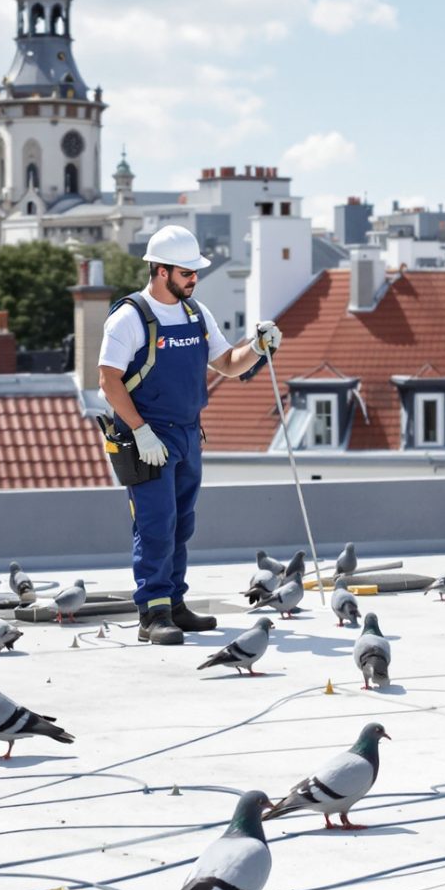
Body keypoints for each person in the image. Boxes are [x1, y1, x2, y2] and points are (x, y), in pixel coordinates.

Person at [96, 225, 282, 645]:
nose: (194, 279)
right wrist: (141, 432)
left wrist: (255, 345)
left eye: (195, 272)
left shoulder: (196, 313)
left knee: (181, 524)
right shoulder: (130, 317)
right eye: (186, 272)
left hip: (186, 434)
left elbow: (228, 364)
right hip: (147, 438)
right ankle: (153, 612)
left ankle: (175, 603)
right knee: (155, 524)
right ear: (160, 271)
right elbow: (109, 381)